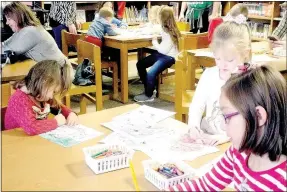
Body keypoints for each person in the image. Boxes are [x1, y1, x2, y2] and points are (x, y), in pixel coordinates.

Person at [169, 65, 287, 191]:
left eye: (227, 117)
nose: (222, 126)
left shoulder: (282, 182)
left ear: (258, 116)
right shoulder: (238, 153)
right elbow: (205, 185)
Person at [187, 18, 252, 142]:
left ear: (245, 54)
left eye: (229, 60)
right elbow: (197, 105)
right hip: (207, 135)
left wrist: (225, 139)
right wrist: (193, 126)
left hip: (235, 143)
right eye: (217, 58)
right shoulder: (209, 74)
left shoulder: (248, 81)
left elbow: (249, 124)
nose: (222, 65)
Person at [5, 60, 78, 135]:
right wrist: (55, 122)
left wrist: (70, 113)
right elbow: (32, 128)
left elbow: (58, 106)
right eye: (53, 92)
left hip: (33, 139)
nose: (51, 96)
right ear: (44, 83)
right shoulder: (19, 99)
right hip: (16, 140)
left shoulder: (40, 94)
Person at [134, 6, 181, 102]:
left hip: (169, 57)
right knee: (140, 64)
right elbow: (154, 29)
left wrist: (154, 42)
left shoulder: (170, 32)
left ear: (162, 17)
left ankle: (149, 95)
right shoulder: (164, 27)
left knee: (151, 73)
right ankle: (149, 88)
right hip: (162, 55)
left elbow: (163, 50)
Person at [2, 2, 69, 66]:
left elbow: (4, 50)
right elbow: (4, 45)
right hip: (51, 70)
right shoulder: (25, 31)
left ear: (18, 18)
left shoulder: (30, 32)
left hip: (60, 73)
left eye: (9, 19)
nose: (7, 23)